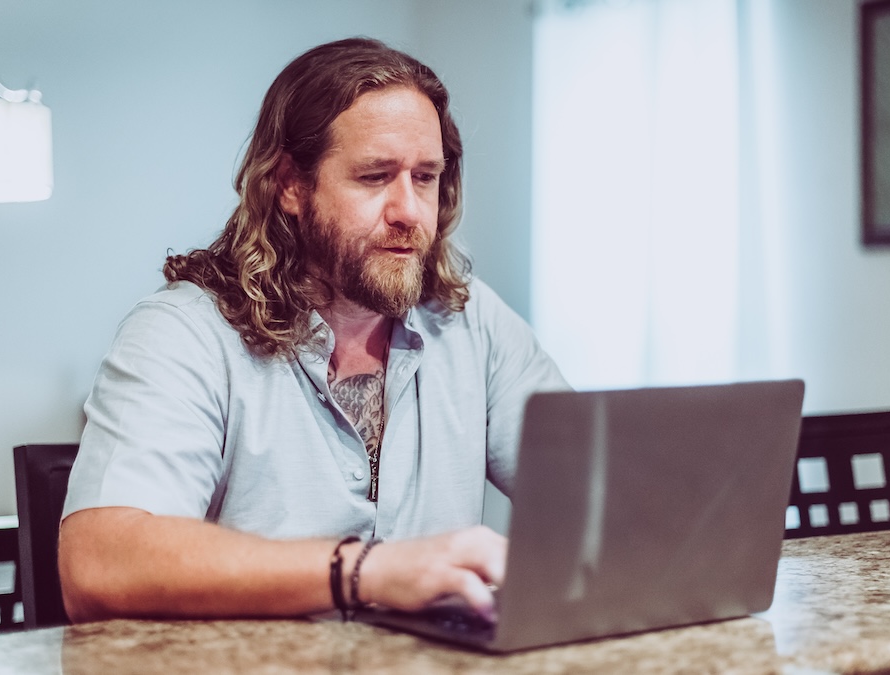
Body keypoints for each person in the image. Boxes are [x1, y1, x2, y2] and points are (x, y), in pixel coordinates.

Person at [58, 37, 567, 624]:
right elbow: (99, 567)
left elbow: (600, 498)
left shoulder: (471, 319)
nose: (409, 211)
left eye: (425, 177)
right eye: (375, 176)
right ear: (290, 186)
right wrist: (367, 571)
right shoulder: (182, 334)